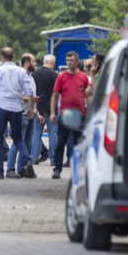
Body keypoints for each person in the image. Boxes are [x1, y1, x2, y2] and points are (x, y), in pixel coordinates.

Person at [0, 47, 35, 179]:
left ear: (2, 57)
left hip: (1, 107)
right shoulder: (21, 72)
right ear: (13, 57)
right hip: (17, 108)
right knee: (18, 138)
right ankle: (27, 159)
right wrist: (29, 108)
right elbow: (29, 91)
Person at [50, 51, 89, 179]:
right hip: (65, 114)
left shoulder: (83, 77)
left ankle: (78, 170)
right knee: (61, 142)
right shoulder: (61, 77)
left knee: (78, 144)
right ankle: (57, 168)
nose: (69, 62)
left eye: (71, 60)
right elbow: (54, 96)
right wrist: (52, 113)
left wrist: (90, 112)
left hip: (80, 114)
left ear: (77, 61)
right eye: (67, 60)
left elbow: (88, 95)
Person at [5, 53, 37, 179]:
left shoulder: (32, 78)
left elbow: (32, 96)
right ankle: (10, 168)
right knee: (17, 143)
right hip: (21, 114)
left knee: (28, 143)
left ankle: (22, 168)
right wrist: (30, 100)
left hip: (31, 114)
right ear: (27, 62)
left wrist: (36, 111)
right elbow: (17, 96)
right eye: (33, 61)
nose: (35, 64)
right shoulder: (19, 77)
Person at [29, 54, 59, 166]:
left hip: (38, 107)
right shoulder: (54, 75)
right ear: (52, 63)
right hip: (51, 108)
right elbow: (57, 93)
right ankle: (53, 159)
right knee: (53, 133)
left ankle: (34, 158)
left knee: (36, 133)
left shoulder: (34, 74)